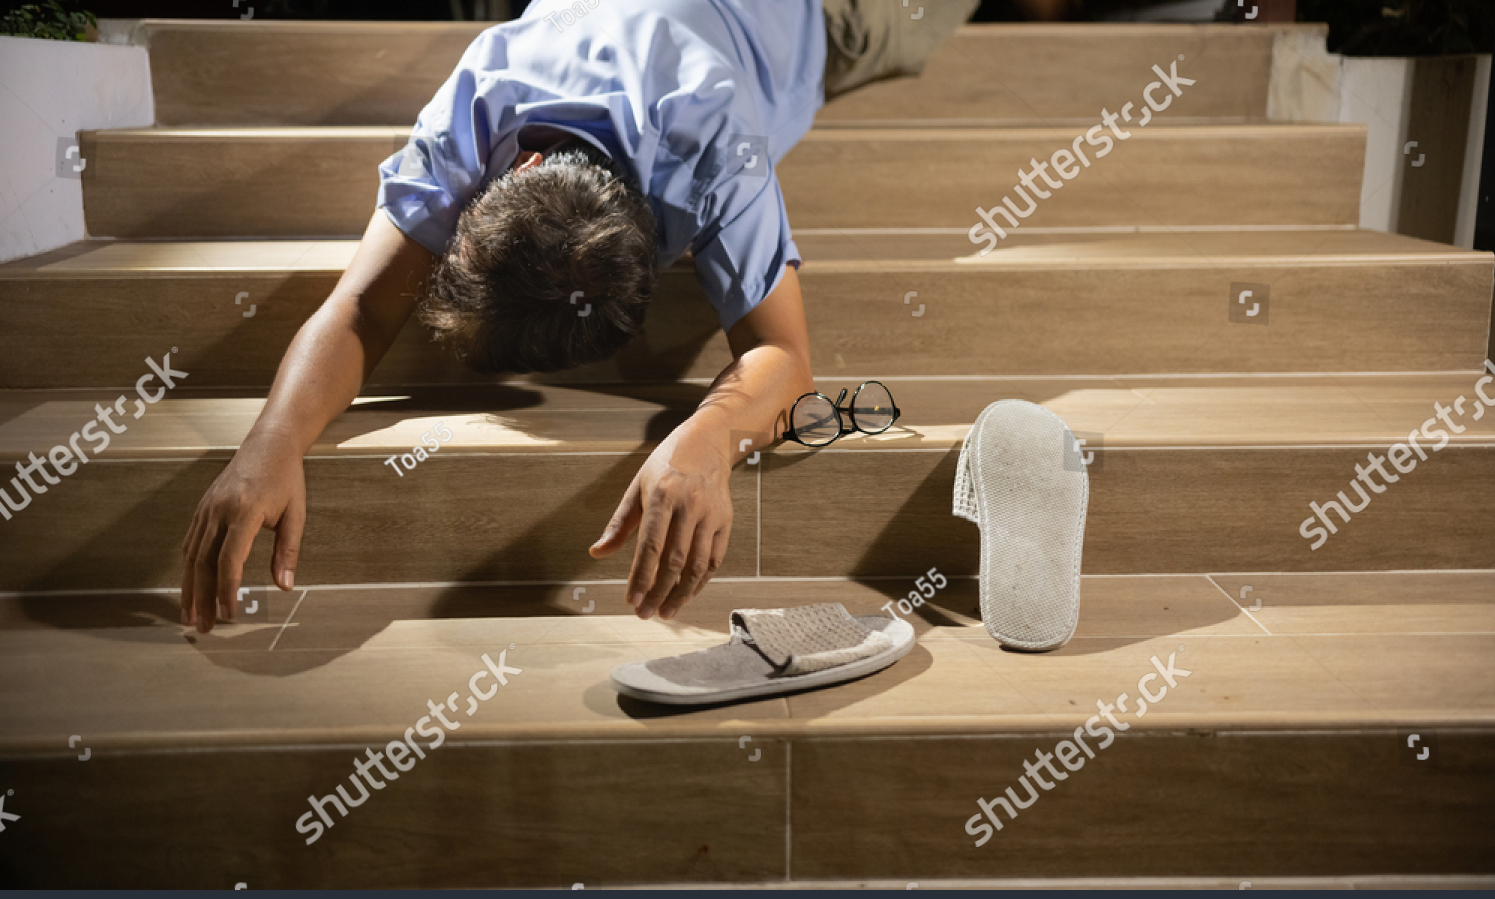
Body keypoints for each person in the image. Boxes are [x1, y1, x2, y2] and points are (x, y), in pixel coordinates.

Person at [180, 0, 978, 634]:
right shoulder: (482, 92)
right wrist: (272, 440)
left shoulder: (711, 128)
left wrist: (707, 440)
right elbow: (359, 308)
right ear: (508, 171)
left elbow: (785, 358)